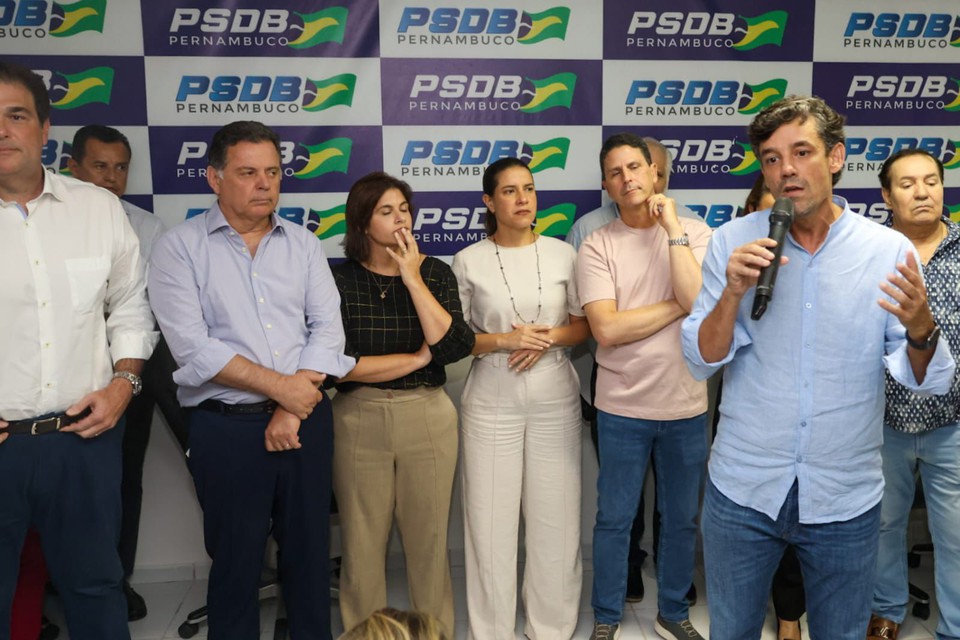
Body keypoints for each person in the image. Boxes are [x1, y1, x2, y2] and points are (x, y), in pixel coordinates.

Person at [680, 95, 955, 640]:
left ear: (835, 157)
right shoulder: (735, 241)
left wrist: (923, 327)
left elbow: (924, 376)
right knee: (730, 630)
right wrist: (732, 293)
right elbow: (701, 357)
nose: (786, 170)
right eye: (771, 159)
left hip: (844, 493)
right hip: (743, 490)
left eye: (801, 152)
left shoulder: (886, 249)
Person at [148, 120, 355, 640]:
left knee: (309, 557)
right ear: (215, 179)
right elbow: (194, 347)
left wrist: (291, 402)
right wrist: (282, 388)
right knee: (236, 563)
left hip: (305, 419)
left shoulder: (304, 245)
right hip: (227, 429)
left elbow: (328, 330)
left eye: (273, 172)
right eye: (247, 173)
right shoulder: (179, 248)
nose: (264, 183)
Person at [0, 60, 157, 639]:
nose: (2, 130)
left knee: (96, 589)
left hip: (84, 440)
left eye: (15, 115)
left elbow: (133, 307)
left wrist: (125, 385)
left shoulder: (99, 209)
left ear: (45, 130)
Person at [578, 133, 711, 640]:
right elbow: (607, 330)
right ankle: (607, 618)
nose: (627, 178)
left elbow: (698, 296)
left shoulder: (696, 232)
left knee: (680, 521)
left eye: (635, 167)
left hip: (685, 405)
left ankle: (672, 613)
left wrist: (671, 226)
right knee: (615, 520)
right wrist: (678, 306)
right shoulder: (597, 244)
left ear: (656, 173)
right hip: (622, 408)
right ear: (608, 185)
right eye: (615, 172)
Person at [331, 172, 474, 637]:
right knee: (361, 544)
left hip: (427, 415)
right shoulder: (339, 278)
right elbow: (337, 366)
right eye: (386, 211)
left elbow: (452, 346)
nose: (399, 220)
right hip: (358, 418)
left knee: (429, 543)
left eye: (404, 210)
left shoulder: (434, 272)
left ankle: (433, 632)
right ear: (362, 221)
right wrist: (413, 357)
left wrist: (412, 278)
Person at [452, 157, 589, 639]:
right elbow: (456, 339)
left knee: (556, 519)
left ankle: (551, 628)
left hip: (554, 393)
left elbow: (585, 325)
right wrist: (505, 341)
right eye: (509, 191)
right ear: (489, 202)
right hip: (492, 396)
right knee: (489, 524)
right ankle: (491, 630)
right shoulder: (468, 259)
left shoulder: (564, 254)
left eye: (528, 189)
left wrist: (546, 338)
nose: (522, 199)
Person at [67, 123, 188, 621]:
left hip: (127, 377)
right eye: (100, 166)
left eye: (120, 168)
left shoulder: (147, 227)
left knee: (124, 481)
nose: (112, 178)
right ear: (72, 167)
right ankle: (64, 584)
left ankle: (118, 580)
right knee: (67, 491)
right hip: (63, 380)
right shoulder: (42, 223)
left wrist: (128, 376)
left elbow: (150, 312)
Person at [868, 149, 960, 640]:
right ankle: (885, 612)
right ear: (887, 195)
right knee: (882, 526)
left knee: (957, 535)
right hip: (882, 419)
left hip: (954, 419)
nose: (922, 192)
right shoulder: (870, 251)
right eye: (907, 184)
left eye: (931, 181)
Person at [738, 173, 805, 640]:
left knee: (796, 522)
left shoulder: (818, 267)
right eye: (765, 217)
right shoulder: (733, 261)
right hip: (747, 411)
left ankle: (788, 614)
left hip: (801, 416)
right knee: (749, 518)